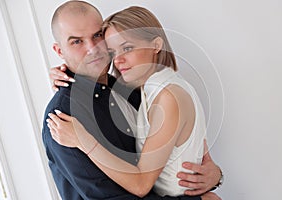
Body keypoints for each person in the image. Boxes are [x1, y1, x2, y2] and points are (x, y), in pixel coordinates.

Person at [47, 3, 221, 199]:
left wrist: (215, 176)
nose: (92, 49)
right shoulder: (63, 118)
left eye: (97, 36)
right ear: (59, 50)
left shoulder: (132, 88)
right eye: (76, 42)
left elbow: (176, 160)